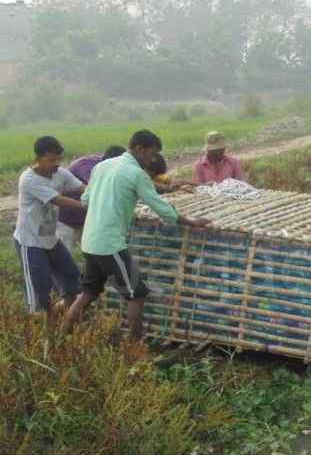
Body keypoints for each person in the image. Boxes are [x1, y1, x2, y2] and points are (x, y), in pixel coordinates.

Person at [63, 130, 210, 341]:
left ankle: (62, 336)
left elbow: (86, 201)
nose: (152, 160)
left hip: (89, 241)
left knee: (88, 294)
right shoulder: (135, 173)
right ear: (140, 149)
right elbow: (161, 207)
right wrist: (191, 221)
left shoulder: (102, 167)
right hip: (110, 245)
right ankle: (134, 346)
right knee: (137, 295)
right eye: (151, 154)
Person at [13, 136, 87, 315]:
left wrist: (95, 194)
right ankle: (39, 328)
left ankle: (58, 318)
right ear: (38, 158)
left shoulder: (60, 173)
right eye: (51, 159)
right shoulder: (29, 179)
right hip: (30, 241)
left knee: (72, 282)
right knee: (40, 294)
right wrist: (89, 205)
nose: (57, 163)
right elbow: (58, 200)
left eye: (59, 158)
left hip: (49, 236)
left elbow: (83, 188)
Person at [56, 145, 125, 251]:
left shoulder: (106, 165)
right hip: (67, 219)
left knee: (89, 252)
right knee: (63, 254)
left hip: (85, 218)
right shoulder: (86, 166)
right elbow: (97, 189)